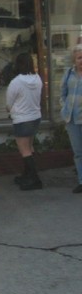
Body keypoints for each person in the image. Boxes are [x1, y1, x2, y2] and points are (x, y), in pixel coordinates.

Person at [6, 53, 43, 191]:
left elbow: (9, 103)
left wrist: (10, 111)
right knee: (30, 147)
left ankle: (34, 179)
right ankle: (27, 175)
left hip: (21, 119)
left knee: (24, 150)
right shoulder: (37, 78)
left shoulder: (16, 82)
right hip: (35, 117)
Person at [60, 44, 82, 194]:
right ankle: (81, 181)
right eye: (79, 57)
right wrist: (64, 108)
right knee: (78, 153)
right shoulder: (68, 73)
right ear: (74, 59)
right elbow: (63, 93)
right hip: (72, 120)